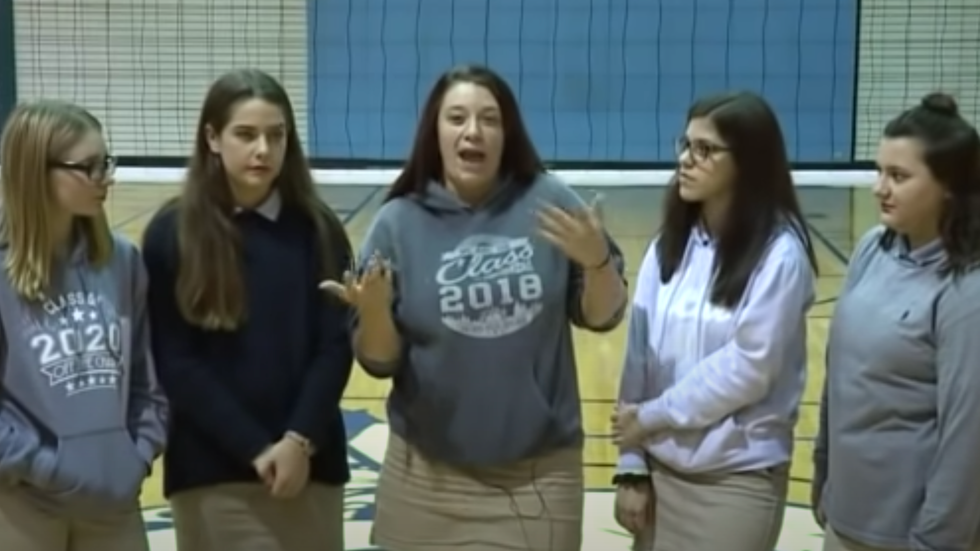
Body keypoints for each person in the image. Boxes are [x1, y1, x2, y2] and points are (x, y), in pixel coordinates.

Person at [320, 63, 628, 551]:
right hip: (424, 480)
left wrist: (596, 263)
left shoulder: (551, 202)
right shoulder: (396, 222)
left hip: (538, 477)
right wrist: (375, 311)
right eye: (457, 118)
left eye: (489, 119)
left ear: (507, 133)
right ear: (435, 132)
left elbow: (603, 314)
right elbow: (379, 362)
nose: (473, 131)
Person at [141, 69, 354, 551]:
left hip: (309, 468)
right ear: (212, 138)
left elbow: (336, 345)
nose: (263, 149)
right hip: (213, 471)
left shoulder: (319, 231)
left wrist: (297, 442)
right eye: (246, 134)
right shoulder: (172, 234)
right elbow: (175, 360)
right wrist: (257, 449)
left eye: (276, 136)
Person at [610, 91, 819, 551]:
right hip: (659, 474)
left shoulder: (780, 256)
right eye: (685, 145)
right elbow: (638, 355)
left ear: (747, 163)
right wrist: (631, 464)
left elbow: (747, 369)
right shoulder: (669, 244)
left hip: (735, 483)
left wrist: (648, 418)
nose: (686, 160)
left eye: (705, 150)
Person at [813, 93, 980, 551]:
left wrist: (936, 540)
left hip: (909, 536)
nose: (878, 188)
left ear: (949, 185)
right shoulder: (873, 247)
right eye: (879, 171)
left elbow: (968, 439)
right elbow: (840, 374)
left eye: (899, 176)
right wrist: (824, 471)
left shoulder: (967, 288)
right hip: (844, 518)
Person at [0, 100, 168, 550]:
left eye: (106, 162)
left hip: (113, 505)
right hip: (22, 505)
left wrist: (137, 456)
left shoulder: (122, 260)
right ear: (37, 172)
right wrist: (46, 468)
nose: (106, 177)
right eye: (89, 167)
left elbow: (147, 379)